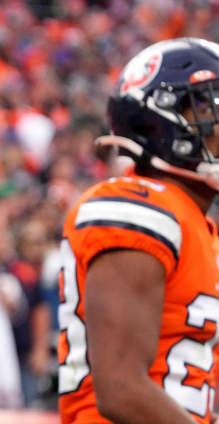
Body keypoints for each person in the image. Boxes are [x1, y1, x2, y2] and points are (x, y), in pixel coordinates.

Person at [58, 37, 219, 424]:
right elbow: (121, 390)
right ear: (163, 121)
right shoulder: (137, 208)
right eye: (207, 107)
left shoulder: (194, 222)